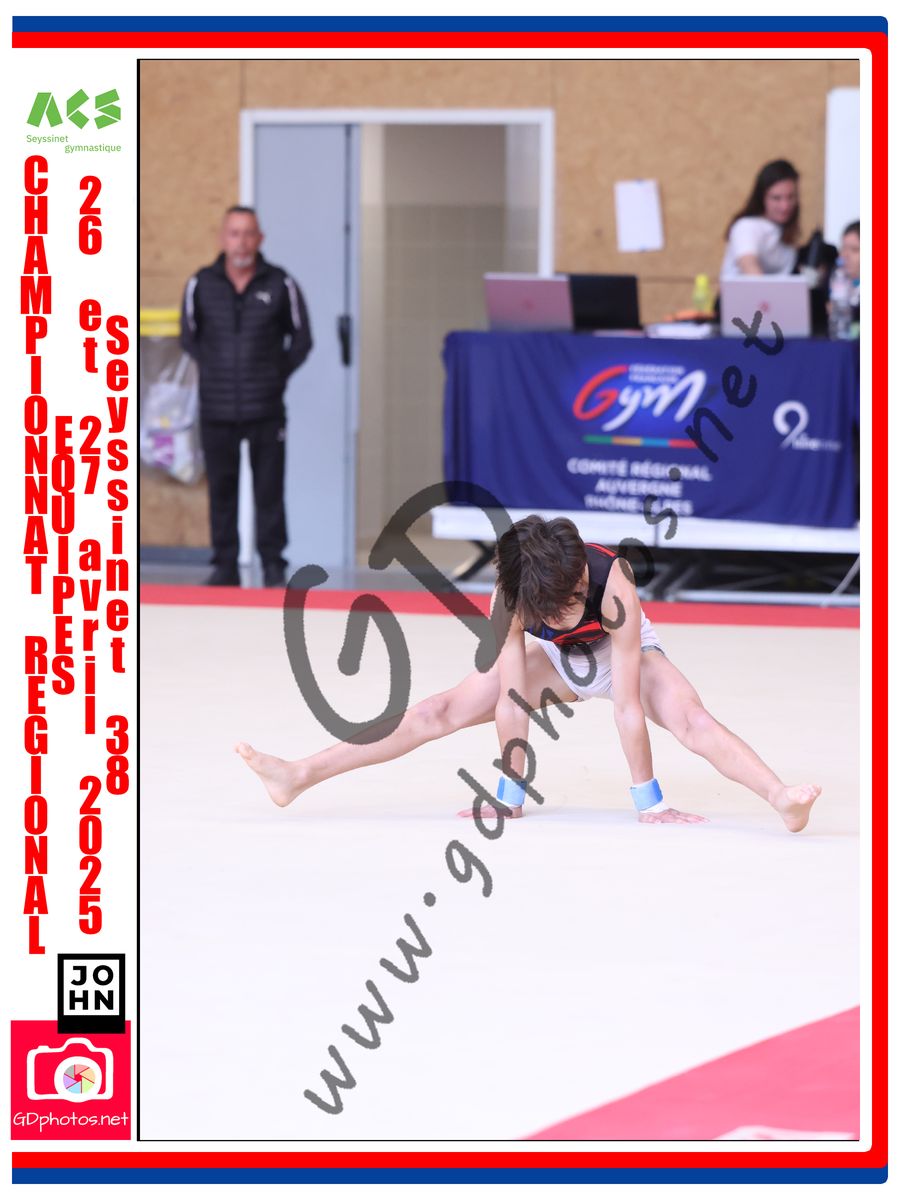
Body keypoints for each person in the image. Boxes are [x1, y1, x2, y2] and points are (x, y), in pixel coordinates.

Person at [236, 516, 821, 832]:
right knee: (438, 710)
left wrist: (649, 802)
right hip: (559, 662)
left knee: (691, 719)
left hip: (622, 654)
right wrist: (509, 795)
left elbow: (626, 705)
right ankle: (299, 774)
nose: (565, 609)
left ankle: (782, 799)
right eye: (553, 607)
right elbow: (511, 701)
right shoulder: (511, 596)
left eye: (572, 598)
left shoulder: (613, 581)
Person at [181, 206, 313, 587]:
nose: (241, 242)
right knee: (222, 489)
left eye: (249, 233)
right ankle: (225, 565)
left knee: (269, 490)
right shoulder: (201, 283)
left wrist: (276, 375)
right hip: (216, 409)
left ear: (260, 239)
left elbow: (302, 338)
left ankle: (272, 564)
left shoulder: (280, 283)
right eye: (234, 233)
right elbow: (189, 336)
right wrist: (215, 370)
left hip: (265, 409)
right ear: (223, 238)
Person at [720, 159, 801, 278]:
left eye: (790, 197)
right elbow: (751, 271)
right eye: (776, 198)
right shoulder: (746, 227)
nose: (785, 206)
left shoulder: (786, 234)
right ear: (761, 197)